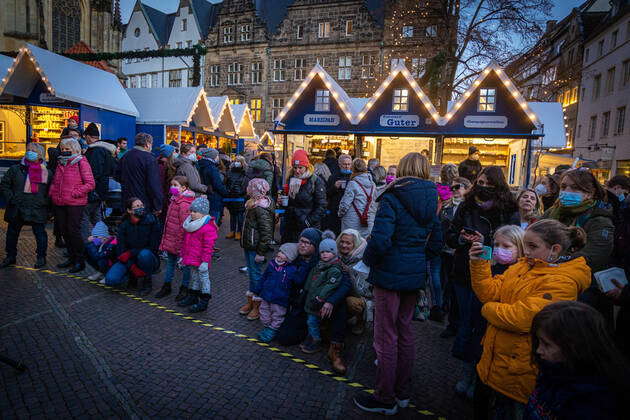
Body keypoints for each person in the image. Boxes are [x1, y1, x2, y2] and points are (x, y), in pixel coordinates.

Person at [469, 219, 591, 418]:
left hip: (519, 371)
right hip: (493, 362)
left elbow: (522, 318)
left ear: (555, 249)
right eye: (525, 244)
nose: (525, 251)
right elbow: (490, 292)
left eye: (532, 246)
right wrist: (479, 264)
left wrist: (488, 309)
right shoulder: (524, 266)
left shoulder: (563, 282)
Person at [354, 152, 440, 415]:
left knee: (385, 336)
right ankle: (402, 392)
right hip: (413, 274)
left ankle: (384, 397)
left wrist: (366, 261)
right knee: (404, 332)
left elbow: (380, 240)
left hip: (390, 273)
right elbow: (436, 243)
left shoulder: (392, 196)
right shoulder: (433, 198)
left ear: (402, 169)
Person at [445, 166, 519, 398]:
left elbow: (511, 241)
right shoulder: (466, 205)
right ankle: (468, 371)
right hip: (464, 270)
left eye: (489, 183)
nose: (484, 187)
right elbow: (450, 235)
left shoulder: (509, 208)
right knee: (467, 321)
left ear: (498, 185)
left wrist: (485, 240)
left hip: (494, 272)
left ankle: (481, 376)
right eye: (481, 182)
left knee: (483, 324)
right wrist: (461, 238)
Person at [525, 301, 628, 420]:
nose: (538, 350)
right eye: (539, 342)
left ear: (575, 347)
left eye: (546, 344)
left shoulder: (593, 401)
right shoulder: (551, 370)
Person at [543, 169, 614, 321]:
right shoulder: (552, 213)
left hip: (584, 291)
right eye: (563, 187)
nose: (566, 191)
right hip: (547, 283)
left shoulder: (599, 219)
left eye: (574, 188)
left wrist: (555, 260)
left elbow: (594, 256)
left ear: (590, 193)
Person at [0, 143, 52, 269]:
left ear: (40, 154)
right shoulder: (16, 169)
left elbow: (51, 190)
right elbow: (5, 184)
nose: (29, 152)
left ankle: (41, 257)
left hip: (37, 207)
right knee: (12, 233)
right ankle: (10, 256)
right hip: (18, 206)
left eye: (33, 150)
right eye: (28, 150)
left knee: (40, 234)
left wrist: (45, 203)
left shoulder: (47, 172)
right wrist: (12, 198)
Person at [49, 138, 96, 273]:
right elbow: (55, 181)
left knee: (73, 231)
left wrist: (75, 193)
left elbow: (90, 183)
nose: (64, 151)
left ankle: (80, 260)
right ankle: (71, 257)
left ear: (75, 149)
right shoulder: (60, 162)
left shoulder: (81, 162)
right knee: (63, 231)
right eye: (62, 149)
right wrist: (53, 192)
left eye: (67, 149)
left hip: (75, 203)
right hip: (59, 202)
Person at [104, 198, 161, 294]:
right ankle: (131, 276)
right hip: (128, 258)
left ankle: (147, 281)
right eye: (137, 206)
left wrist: (131, 252)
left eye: (142, 205)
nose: (141, 208)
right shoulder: (124, 225)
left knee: (144, 254)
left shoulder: (152, 221)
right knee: (110, 280)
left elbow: (153, 247)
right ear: (129, 210)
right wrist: (131, 266)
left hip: (147, 257)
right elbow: (121, 249)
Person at [439, 177, 472, 339]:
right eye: (451, 188)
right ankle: (450, 321)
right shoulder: (446, 207)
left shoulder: (471, 208)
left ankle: (461, 326)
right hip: (447, 251)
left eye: (457, 187)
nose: (453, 191)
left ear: (466, 188)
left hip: (463, 255)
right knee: (448, 287)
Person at [300, 231, 344, 353]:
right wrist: (306, 289)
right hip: (311, 299)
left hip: (318, 302)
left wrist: (320, 297)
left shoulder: (334, 269)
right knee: (311, 321)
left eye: (328, 252)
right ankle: (312, 336)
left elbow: (330, 285)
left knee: (312, 321)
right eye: (322, 252)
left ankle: (316, 340)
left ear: (334, 252)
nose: (325, 254)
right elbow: (310, 279)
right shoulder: (319, 265)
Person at [239, 178, 274, 320]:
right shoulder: (252, 205)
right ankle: (251, 301)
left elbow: (266, 233)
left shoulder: (260, 208)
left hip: (255, 248)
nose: (247, 189)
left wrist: (261, 252)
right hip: (249, 245)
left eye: (249, 187)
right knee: (252, 275)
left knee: (256, 275)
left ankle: (258, 306)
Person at [155, 176, 195, 300]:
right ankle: (167, 286)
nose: (172, 187)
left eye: (175, 185)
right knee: (171, 263)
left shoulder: (183, 204)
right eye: (171, 184)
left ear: (184, 188)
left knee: (185, 266)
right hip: (172, 239)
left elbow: (184, 225)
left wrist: (180, 243)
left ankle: (184, 288)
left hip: (181, 241)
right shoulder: (174, 200)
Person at [177, 196, 218, 313]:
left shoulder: (207, 227)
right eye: (191, 211)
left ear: (203, 213)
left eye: (195, 212)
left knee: (204, 279)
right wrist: (183, 256)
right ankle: (193, 296)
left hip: (201, 260)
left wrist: (205, 261)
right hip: (192, 258)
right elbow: (186, 243)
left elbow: (208, 247)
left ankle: (204, 301)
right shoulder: (191, 224)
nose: (192, 213)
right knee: (194, 278)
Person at [254, 243, 300, 343]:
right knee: (264, 312)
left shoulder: (292, 270)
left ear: (290, 257)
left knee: (277, 316)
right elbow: (264, 277)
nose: (280, 253)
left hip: (280, 299)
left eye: (284, 253)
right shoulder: (272, 264)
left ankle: (271, 330)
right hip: (266, 295)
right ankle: (267, 327)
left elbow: (295, 284)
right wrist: (258, 288)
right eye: (280, 251)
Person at [280, 150, 327, 243]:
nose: (297, 171)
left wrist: (308, 221)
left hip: (308, 227)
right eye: (295, 167)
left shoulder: (315, 181)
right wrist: (282, 202)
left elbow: (322, 205)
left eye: (300, 168)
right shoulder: (290, 179)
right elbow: (290, 203)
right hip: (291, 226)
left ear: (306, 166)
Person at [82, 123, 116, 240]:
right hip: (100, 190)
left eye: (85, 137)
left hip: (93, 191)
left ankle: (88, 244)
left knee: (85, 217)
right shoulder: (106, 150)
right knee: (96, 216)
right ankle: (101, 241)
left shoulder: (95, 151)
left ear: (88, 136)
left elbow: (93, 173)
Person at [117, 133, 163, 214]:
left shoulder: (126, 156)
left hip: (127, 200)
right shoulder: (149, 159)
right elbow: (153, 184)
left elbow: (117, 175)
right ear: (148, 144)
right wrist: (158, 205)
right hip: (143, 202)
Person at [337, 229, 370, 335]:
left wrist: (349, 273)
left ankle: (360, 320)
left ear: (355, 245)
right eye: (342, 241)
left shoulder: (362, 261)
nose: (343, 245)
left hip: (358, 296)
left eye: (348, 243)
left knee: (353, 303)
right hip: (340, 293)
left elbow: (361, 292)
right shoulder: (336, 255)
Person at [338, 158, 377, 238]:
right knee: (363, 245)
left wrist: (340, 214)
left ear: (353, 169)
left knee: (350, 245)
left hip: (351, 221)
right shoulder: (373, 184)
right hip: (367, 221)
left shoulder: (353, 184)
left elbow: (345, 204)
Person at [197, 148, 229, 223]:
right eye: (217, 155)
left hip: (203, 196)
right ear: (213, 156)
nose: (218, 157)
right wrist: (226, 193)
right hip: (214, 198)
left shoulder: (199, 165)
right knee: (213, 223)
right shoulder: (212, 168)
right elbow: (217, 184)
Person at [324, 154, 352, 234]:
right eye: (345, 164)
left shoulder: (353, 177)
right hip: (335, 211)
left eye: (349, 164)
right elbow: (326, 194)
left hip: (348, 211)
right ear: (339, 165)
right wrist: (335, 187)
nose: (347, 166)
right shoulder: (333, 177)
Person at [225, 155, 249, 240]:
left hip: (241, 197)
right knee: (232, 214)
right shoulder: (230, 172)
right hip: (231, 196)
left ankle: (239, 231)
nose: (237, 162)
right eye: (236, 161)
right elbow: (227, 182)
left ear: (242, 163)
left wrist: (242, 192)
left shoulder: (245, 173)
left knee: (239, 215)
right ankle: (232, 230)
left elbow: (246, 184)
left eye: (239, 161)